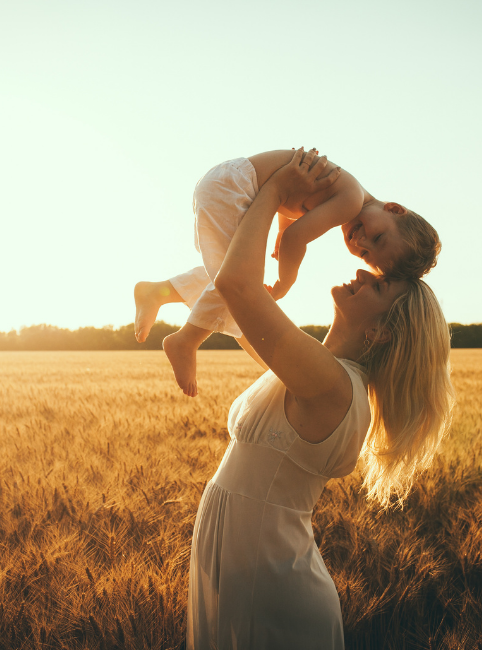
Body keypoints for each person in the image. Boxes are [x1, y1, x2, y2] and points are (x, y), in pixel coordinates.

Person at [185, 150, 455, 649]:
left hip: (269, 586)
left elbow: (238, 284)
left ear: (379, 334)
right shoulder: (315, 368)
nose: (363, 271)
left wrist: (273, 190)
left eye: (379, 284)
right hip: (240, 569)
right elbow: (230, 305)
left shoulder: (331, 384)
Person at [134, 148, 441, 397]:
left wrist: (281, 230)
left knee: (228, 273)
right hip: (234, 189)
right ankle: (186, 340)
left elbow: (293, 206)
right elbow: (298, 238)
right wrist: (285, 281)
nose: (360, 241)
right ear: (395, 209)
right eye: (378, 238)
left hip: (228, 182)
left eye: (364, 254)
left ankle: (157, 291)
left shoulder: (349, 191)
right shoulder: (350, 202)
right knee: (239, 281)